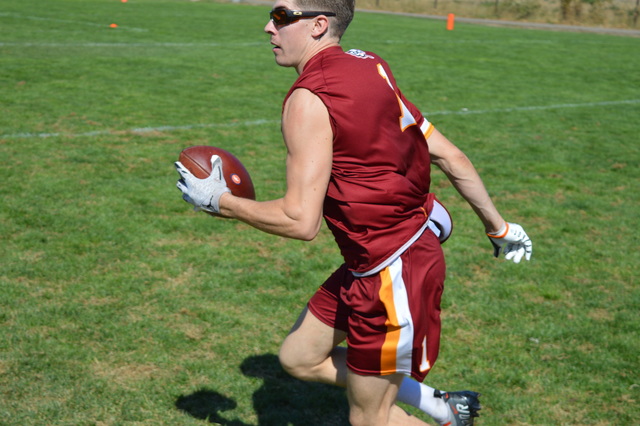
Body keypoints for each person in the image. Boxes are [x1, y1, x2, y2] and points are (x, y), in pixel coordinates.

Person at [175, 0, 533, 424]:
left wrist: (220, 201)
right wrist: (498, 227)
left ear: (318, 25)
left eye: (281, 16)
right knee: (299, 357)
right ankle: (442, 406)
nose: (269, 27)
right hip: (382, 255)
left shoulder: (308, 99)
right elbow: (449, 155)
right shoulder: (370, 65)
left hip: (390, 269)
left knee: (369, 418)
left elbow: (300, 220)